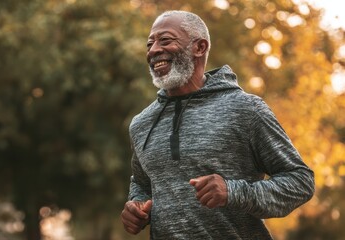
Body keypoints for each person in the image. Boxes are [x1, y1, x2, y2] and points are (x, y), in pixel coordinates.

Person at [120, 10, 315, 239]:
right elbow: (143, 183)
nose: (153, 50)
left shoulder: (245, 109)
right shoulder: (142, 123)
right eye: (149, 44)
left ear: (199, 47)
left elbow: (300, 181)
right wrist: (137, 205)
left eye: (165, 40)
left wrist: (233, 192)